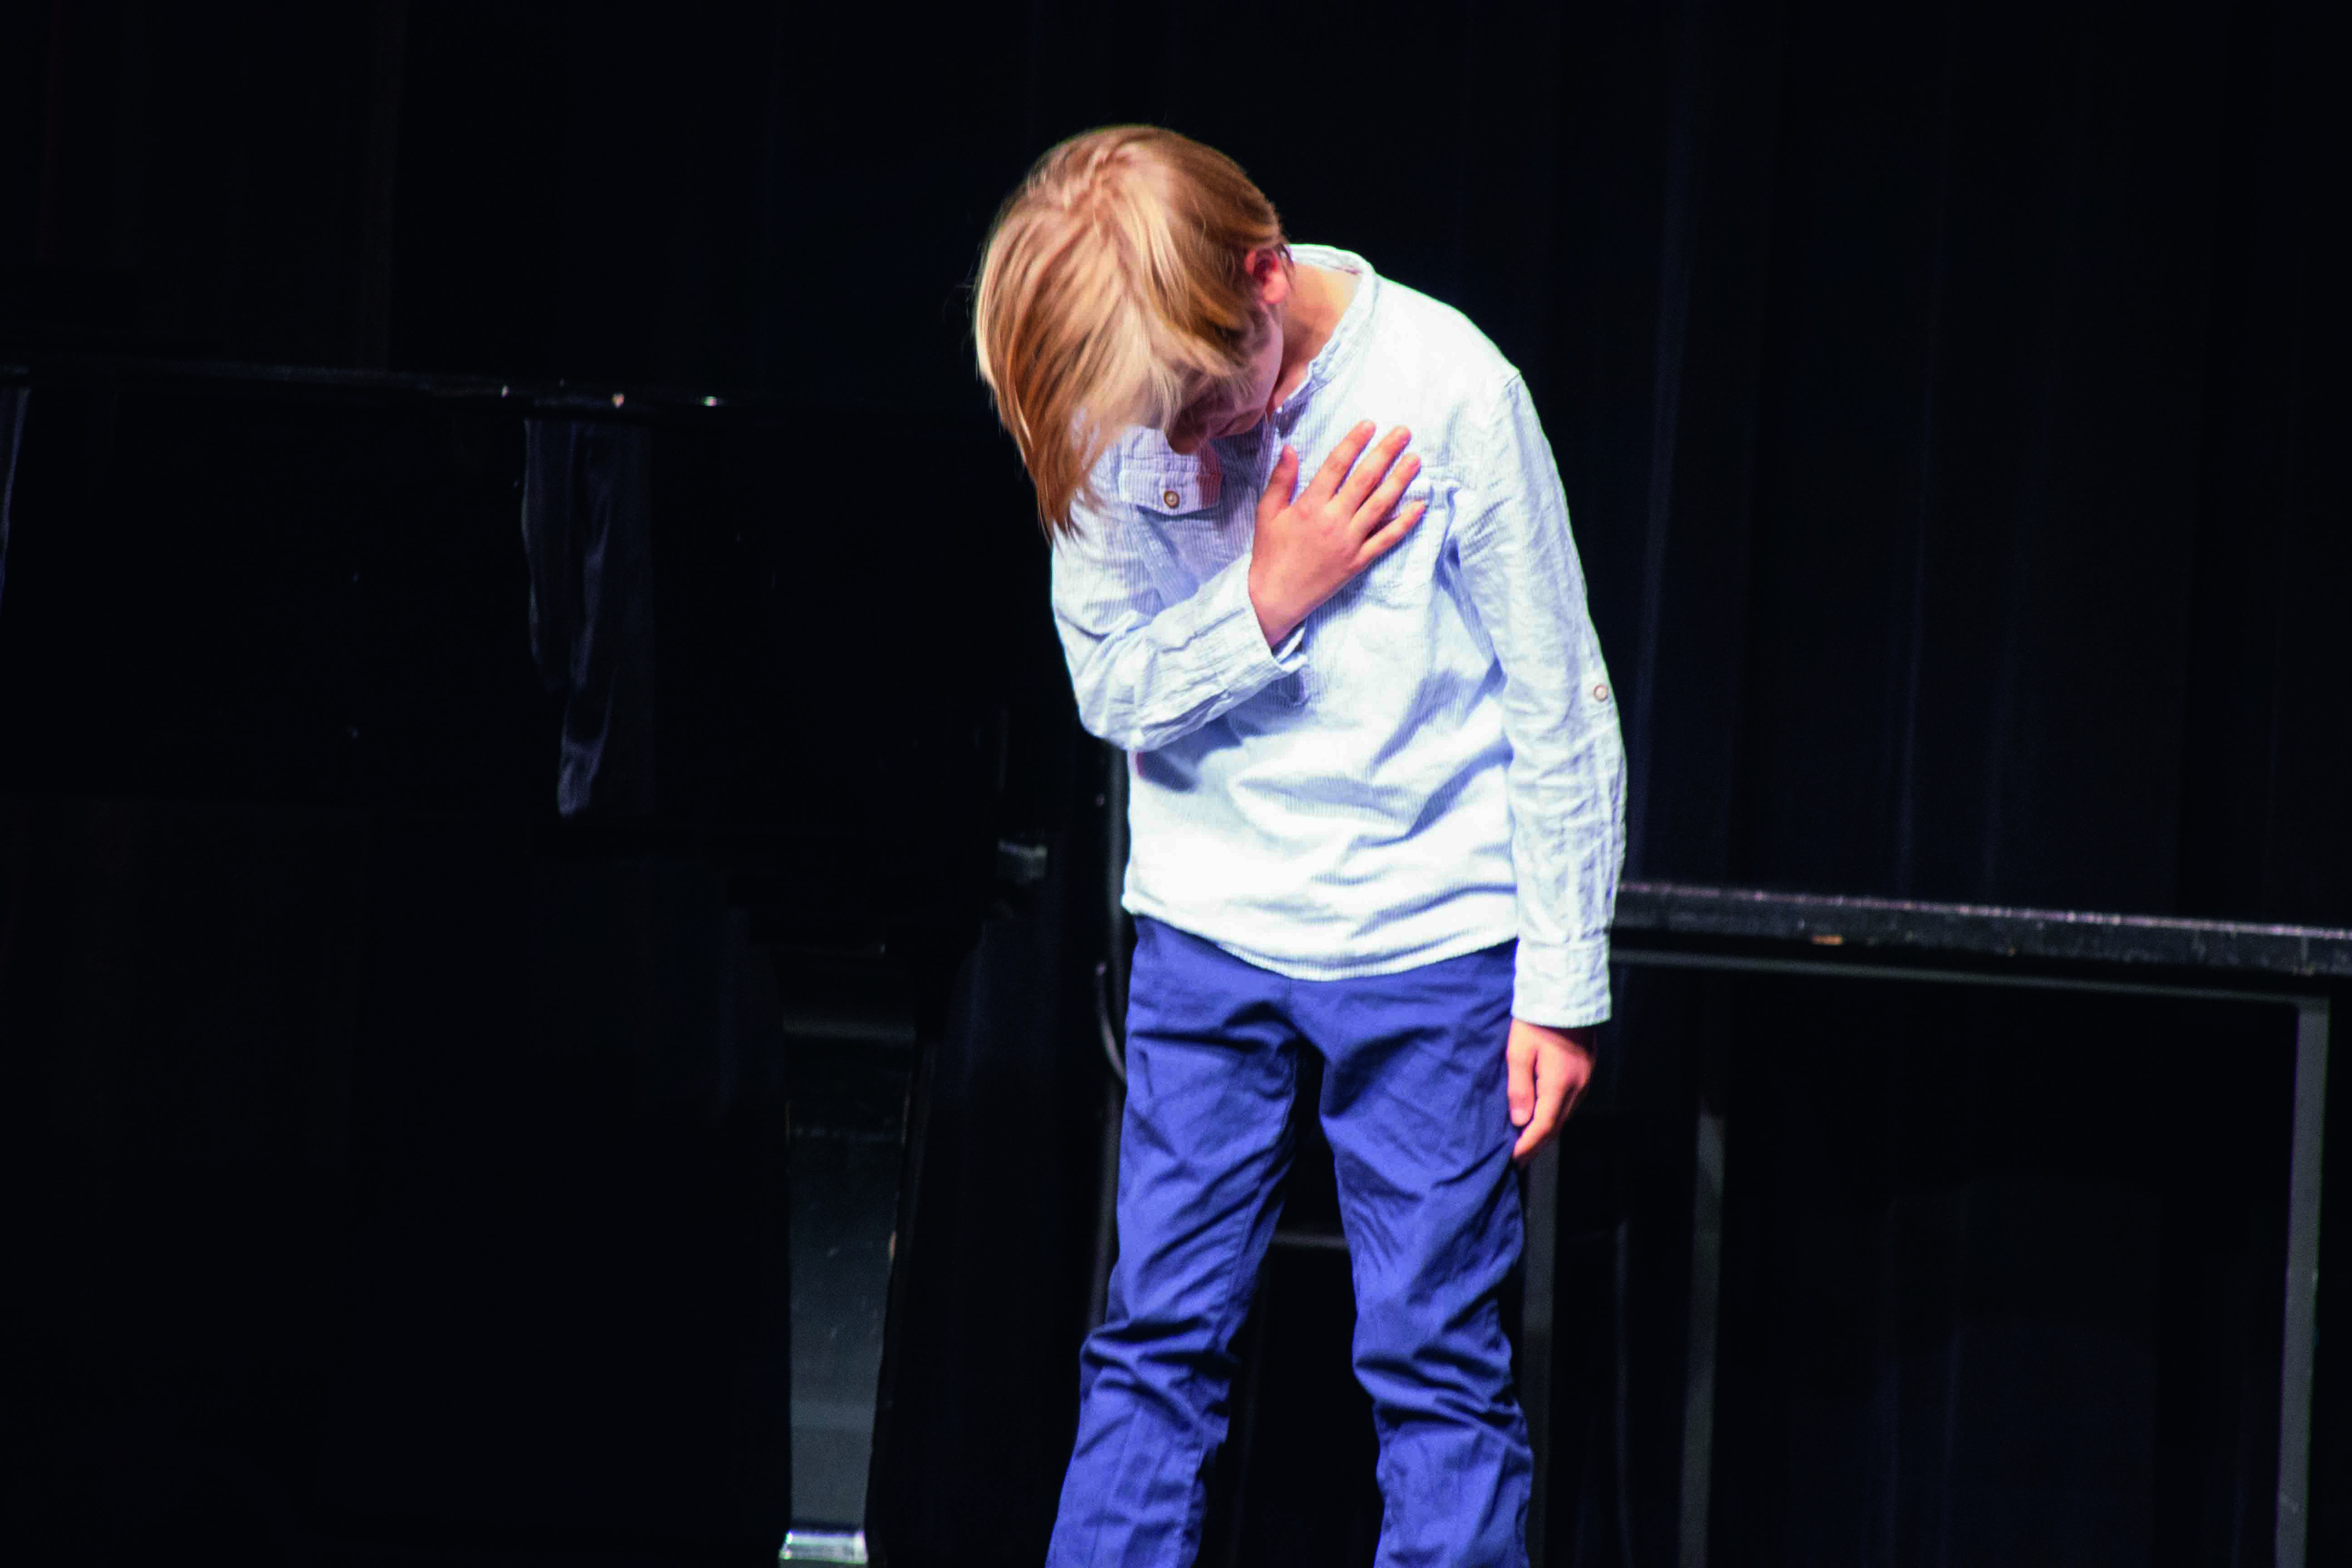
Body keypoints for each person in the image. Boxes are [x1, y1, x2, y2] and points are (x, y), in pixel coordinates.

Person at [972, 125, 1625, 1568]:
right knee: (1153, 1340)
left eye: (1205, 407)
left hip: (1427, 949)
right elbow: (1112, 688)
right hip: (1209, 939)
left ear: (1264, 279)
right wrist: (1265, 596)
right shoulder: (1117, 397)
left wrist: (1561, 980)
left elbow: (1559, 698)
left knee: (1435, 1362)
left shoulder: (1450, 390)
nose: (1183, 448)